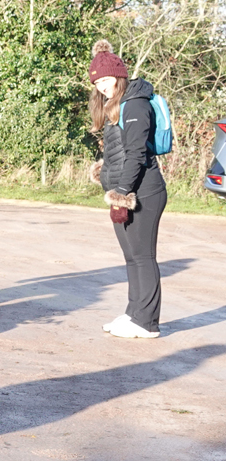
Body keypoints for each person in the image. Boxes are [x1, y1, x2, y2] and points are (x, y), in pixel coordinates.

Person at [88, 39, 165, 339]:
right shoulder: (116, 103)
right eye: (98, 82)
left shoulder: (135, 103)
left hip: (143, 191)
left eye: (106, 80)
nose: (103, 87)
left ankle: (147, 322)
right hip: (126, 191)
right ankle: (134, 313)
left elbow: (135, 154)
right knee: (131, 256)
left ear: (119, 76)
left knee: (144, 255)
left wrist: (120, 192)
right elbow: (118, 152)